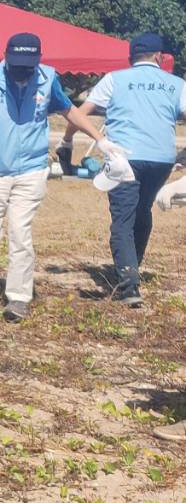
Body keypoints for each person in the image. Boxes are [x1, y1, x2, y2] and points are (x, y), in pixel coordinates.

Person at [0, 33, 103, 320]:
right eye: (17, 65)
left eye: (28, 66)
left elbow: (69, 111)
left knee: (20, 235)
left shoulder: (47, 79)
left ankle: (18, 298)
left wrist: (100, 138)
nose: (23, 71)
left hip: (31, 171)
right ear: (6, 57)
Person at [68, 32, 186, 308]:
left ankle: (128, 285)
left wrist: (65, 140)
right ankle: (132, 266)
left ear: (131, 57)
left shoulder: (114, 79)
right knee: (142, 210)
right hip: (161, 159)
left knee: (122, 217)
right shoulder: (177, 83)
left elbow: (80, 113)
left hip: (124, 158)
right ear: (159, 57)